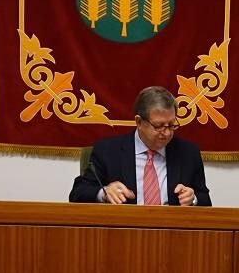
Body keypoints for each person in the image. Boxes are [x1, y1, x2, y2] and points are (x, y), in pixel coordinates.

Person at [68, 86, 211, 206]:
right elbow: (78, 192)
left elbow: (205, 200)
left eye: (172, 125)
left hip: (172, 233)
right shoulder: (108, 151)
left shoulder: (188, 153)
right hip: (124, 232)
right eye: (159, 126)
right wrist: (104, 192)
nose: (167, 133)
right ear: (139, 122)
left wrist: (193, 199)